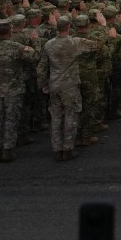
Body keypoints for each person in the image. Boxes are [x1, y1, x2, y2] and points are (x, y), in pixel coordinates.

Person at [37, 15, 97, 161]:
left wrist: (43, 84)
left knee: (56, 117)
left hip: (54, 85)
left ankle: (57, 149)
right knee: (70, 116)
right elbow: (96, 45)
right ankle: (68, 148)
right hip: (70, 86)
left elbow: (42, 67)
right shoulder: (75, 42)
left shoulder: (49, 44)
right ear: (69, 27)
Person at [0, 18, 37, 162]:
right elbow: (34, 56)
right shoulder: (17, 47)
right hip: (14, 90)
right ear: (10, 31)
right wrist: (35, 42)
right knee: (11, 120)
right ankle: (8, 150)